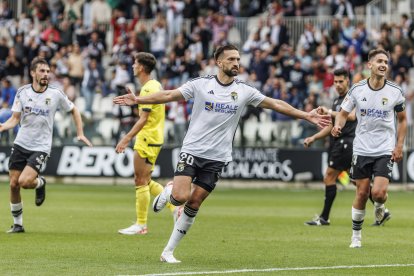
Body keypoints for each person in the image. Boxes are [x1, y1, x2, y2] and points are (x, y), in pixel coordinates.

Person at [113, 44, 331, 263]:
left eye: (238, 59)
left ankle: (168, 251)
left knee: (194, 204)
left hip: (217, 157)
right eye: (231, 59)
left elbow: (274, 103)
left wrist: (305, 115)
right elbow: (169, 94)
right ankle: (169, 191)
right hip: (193, 150)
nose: (236, 63)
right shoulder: (201, 85)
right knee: (180, 196)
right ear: (219, 62)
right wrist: (138, 100)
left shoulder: (244, 90)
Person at [0, 57, 92, 233]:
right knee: (13, 184)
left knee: (25, 182)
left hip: (40, 146)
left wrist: (80, 133)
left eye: (48, 71)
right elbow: (15, 119)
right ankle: (18, 224)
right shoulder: (22, 92)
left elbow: (74, 109)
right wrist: (4, 126)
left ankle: (40, 183)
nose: (46, 74)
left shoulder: (56, 94)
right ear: (33, 73)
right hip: (21, 143)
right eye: (42, 71)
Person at [332, 49, 407, 248]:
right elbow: (342, 113)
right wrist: (337, 125)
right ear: (370, 65)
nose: (383, 65)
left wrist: (399, 146)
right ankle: (356, 236)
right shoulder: (357, 90)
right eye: (379, 61)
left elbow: (403, 120)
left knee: (379, 193)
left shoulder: (395, 91)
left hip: (384, 149)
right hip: (362, 149)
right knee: (362, 193)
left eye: (386, 62)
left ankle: (381, 205)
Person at [303, 68, 391, 226]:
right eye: (335, 82)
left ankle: (324, 217)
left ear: (347, 81)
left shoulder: (355, 95)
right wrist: (314, 137)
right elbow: (331, 125)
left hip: (348, 143)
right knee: (357, 182)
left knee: (329, 176)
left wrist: (329, 111)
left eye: (341, 81)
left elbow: (351, 116)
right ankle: (382, 211)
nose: (337, 85)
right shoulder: (338, 101)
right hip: (344, 144)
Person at [116, 52, 179, 235]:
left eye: (135, 63)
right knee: (147, 180)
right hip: (154, 137)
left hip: (147, 137)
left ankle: (141, 224)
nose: (133, 66)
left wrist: (126, 138)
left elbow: (143, 119)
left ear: (142, 67)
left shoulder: (148, 89)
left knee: (139, 180)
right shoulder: (154, 85)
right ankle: (176, 209)